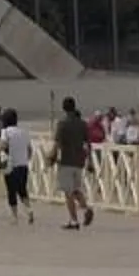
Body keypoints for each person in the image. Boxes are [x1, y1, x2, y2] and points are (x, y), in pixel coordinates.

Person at [50, 97, 95, 228]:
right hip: (79, 161)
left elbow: (57, 143)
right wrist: (90, 161)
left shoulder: (62, 124)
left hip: (66, 161)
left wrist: (51, 157)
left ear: (64, 108)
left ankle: (73, 220)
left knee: (68, 192)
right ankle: (86, 209)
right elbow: (88, 144)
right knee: (75, 189)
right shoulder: (82, 124)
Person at [0, 107, 33, 222]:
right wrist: (26, 159)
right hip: (23, 165)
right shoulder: (24, 132)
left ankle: (14, 216)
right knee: (22, 190)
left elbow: (3, 146)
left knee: (11, 191)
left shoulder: (5, 132)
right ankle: (29, 209)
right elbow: (30, 150)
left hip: (11, 166)